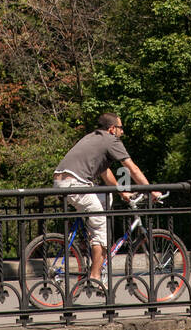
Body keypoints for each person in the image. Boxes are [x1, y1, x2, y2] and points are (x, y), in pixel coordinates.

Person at [53, 112, 158, 289]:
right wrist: (151, 190)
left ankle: (90, 249)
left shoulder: (92, 138)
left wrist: (121, 192)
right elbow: (132, 168)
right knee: (101, 223)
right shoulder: (111, 140)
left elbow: (104, 172)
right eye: (121, 128)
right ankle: (95, 276)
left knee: (103, 203)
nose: (122, 132)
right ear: (112, 129)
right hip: (76, 184)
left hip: (62, 182)